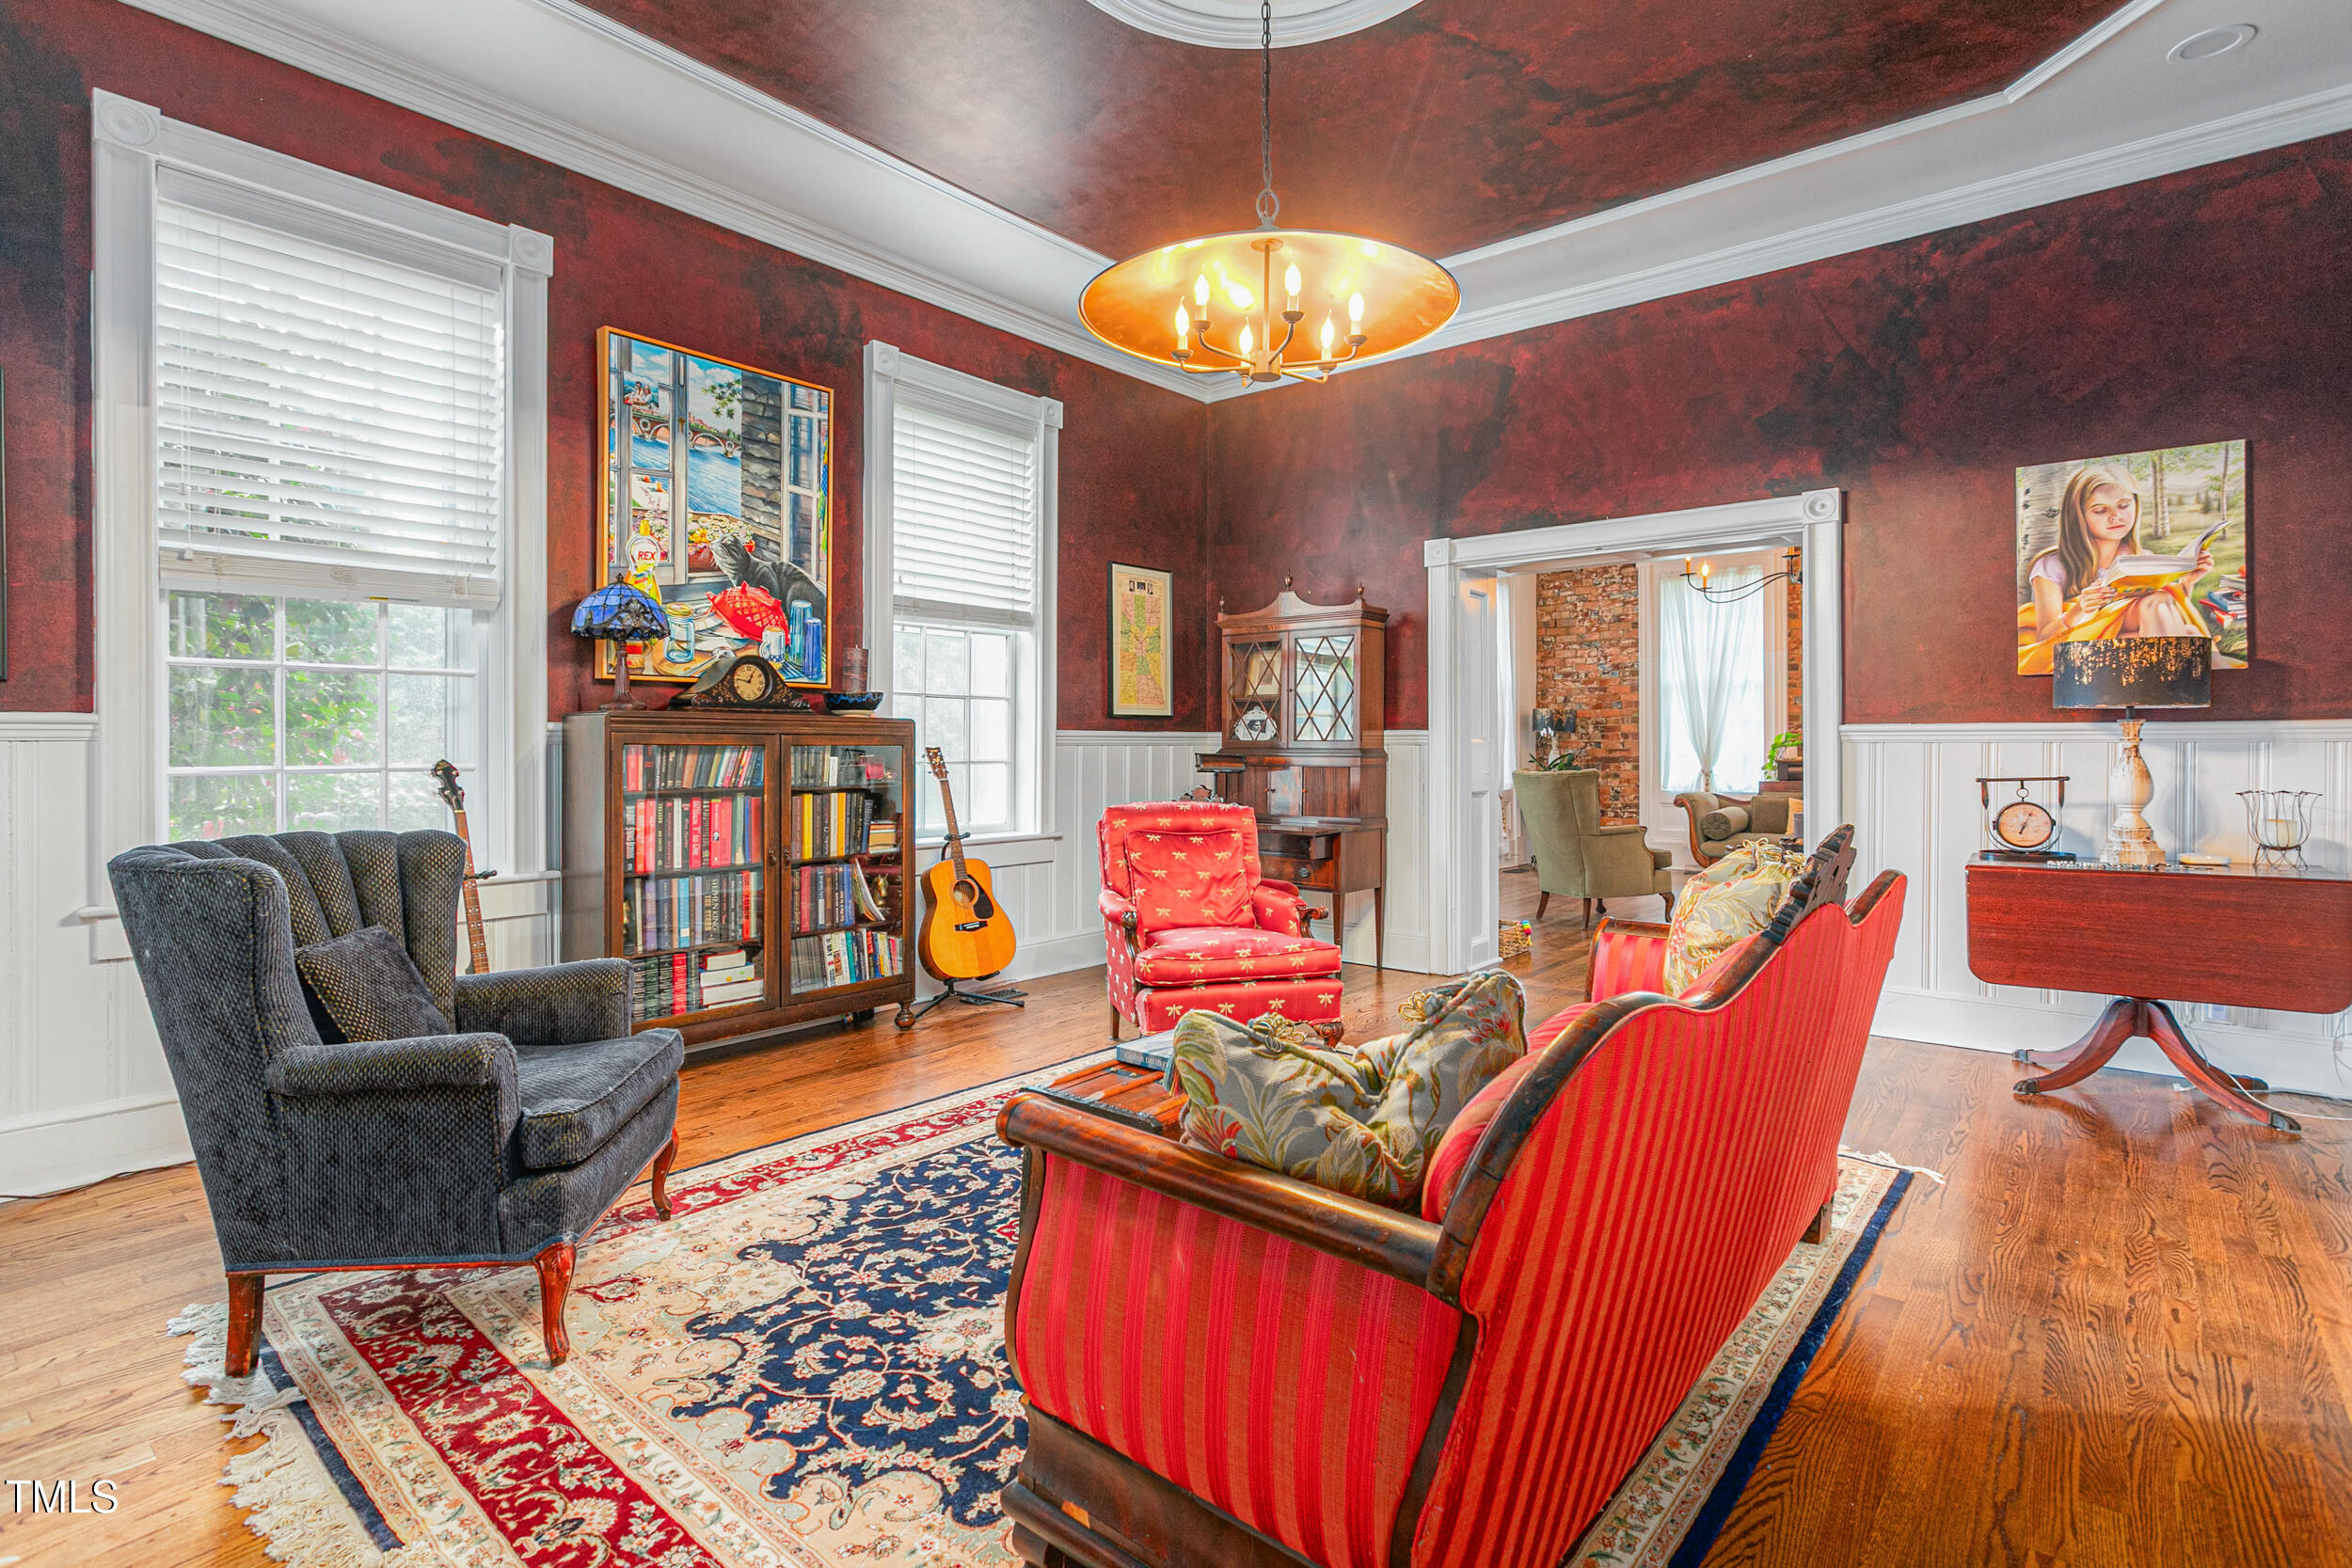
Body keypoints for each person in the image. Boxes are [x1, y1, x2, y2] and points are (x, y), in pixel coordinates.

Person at [2025, 465, 2212, 643]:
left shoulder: (2140, 558)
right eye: (2100, 510)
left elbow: (2168, 614)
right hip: (2084, 648)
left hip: (2130, 640)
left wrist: (2187, 582)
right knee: (2188, 636)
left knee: (2169, 614)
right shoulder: (2052, 565)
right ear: (2078, 515)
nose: (2116, 516)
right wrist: (2080, 609)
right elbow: (2044, 637)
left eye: (2124, 506)